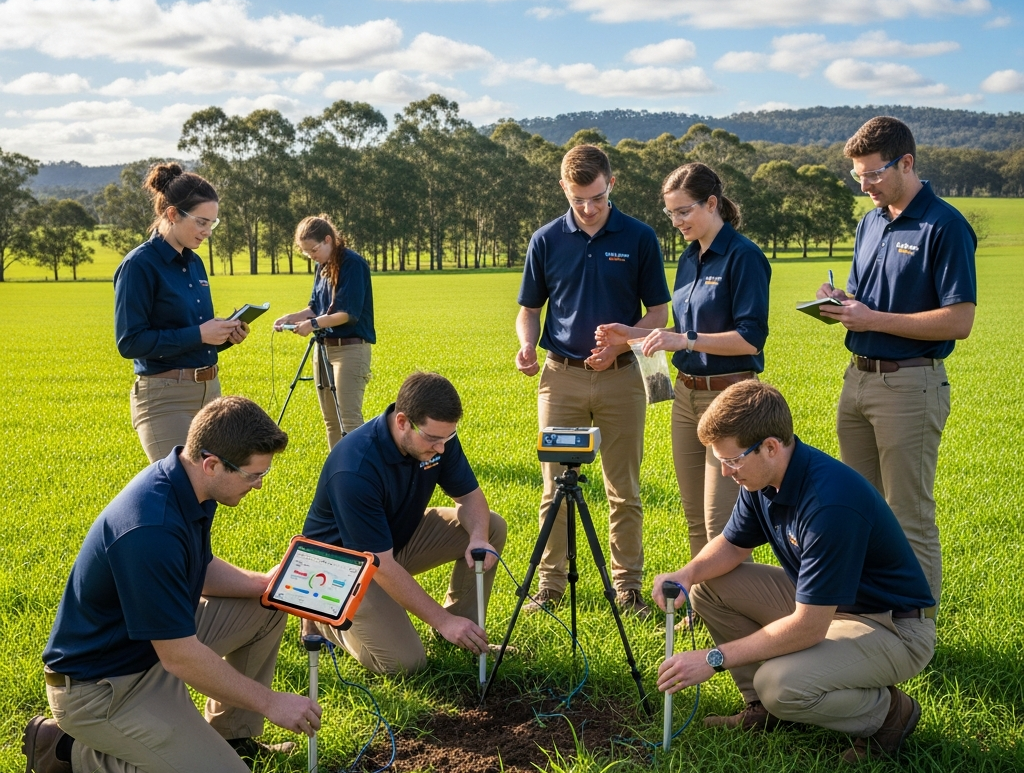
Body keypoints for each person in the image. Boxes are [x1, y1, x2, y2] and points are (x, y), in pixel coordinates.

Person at [24, 396, 320, 773]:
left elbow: (198, 566)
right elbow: (180, 657)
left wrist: (264, 584)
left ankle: (233, 737)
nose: (259, 484)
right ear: (212, 463)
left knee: (266, 606)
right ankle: (66, 752)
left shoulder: (189, 484)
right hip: (102, 688)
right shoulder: (152, 528)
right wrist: (271, 703)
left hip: (147, 652)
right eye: (254, 475)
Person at [653, 380, 936, 764]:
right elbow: (734, 545)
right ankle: (763, 711)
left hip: (890, 627)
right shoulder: (762, 478)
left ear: (770, 446)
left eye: (732, 460)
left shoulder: (829, 504)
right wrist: (687, 574)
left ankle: (888, 714)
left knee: (778, 685)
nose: (724, 472)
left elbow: (808, 627)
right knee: (708, 587)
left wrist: (712, 659)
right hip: (830, 606)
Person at [816, 116, 976, 608]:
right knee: (858, 509)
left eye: (873, 174)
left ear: (906, 163)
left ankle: (917, 626)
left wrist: (873, 318)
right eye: (857, 176)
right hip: (857, 381)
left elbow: (959, 320)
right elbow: (867, 300)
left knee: (909, 513)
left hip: (910, 386)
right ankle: (873, 613)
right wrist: (841, 302)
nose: (864, 185)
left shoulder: (944, 225)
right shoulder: (870, 221)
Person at [515, 144, 670, 616]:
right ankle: (551, 586)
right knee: (554, 488)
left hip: (623, 381)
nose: (588, 208)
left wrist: (622, 344)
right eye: (578, 199)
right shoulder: (545, 240)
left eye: (597, 198)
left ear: (611, 184)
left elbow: (659, 312)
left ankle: (628, 590)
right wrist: (525, 343)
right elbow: (530, 310)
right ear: (564, 188)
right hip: (559, 378)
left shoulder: (641, 238)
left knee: (623, 490)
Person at [597, 162, 770, 563]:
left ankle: (734, 613)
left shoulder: (744, 257)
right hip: (685, 397)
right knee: (694, 517)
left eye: (683, 211)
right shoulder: (690, 258)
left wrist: (684, 338)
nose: (676, 221)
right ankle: (704, 605)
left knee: (720, 520)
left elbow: (750, 339)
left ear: (712, 204)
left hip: (729, 399)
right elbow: (680, 332)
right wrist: (631, 334)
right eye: (670, 213)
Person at [302, 372, 506, 675]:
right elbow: (380, 564)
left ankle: (464, 634)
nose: (441, 448)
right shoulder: (354, 467)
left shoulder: (438, 437)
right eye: (434, 439)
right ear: (402, 422)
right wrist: (440, 619)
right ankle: (322, 618)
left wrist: (478, 536)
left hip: (391, 541)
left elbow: (470, 497)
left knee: (491, 526)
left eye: (447, 438)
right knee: (405, 664)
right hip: (342, 568)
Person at [114, 163, 249, 463]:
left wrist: (225, 336)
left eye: (212, 224)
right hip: (165, 398)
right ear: (172, 214)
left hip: (210, 392)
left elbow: (193, 337)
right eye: (202, 222)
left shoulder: (196, 263)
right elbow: (130, 342)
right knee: (179, 493)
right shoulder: (139, 266)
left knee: (212, 491)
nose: (207, 232)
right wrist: (201, 333)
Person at [274, 215, 375, 449]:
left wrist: (313, 324)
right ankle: (338, 472)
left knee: (348, 418)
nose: (312, 256)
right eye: (306, 253)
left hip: (350, 349)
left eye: (314, 250)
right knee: (331, 421)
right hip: (323, 348)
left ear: (328, 239)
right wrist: (293, 317)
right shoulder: (322, 266)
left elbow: (347, 313)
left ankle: (359, 474)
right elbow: (314, 307)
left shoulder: (353, 264)